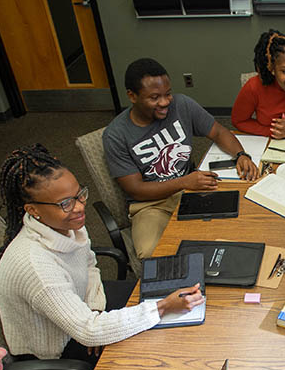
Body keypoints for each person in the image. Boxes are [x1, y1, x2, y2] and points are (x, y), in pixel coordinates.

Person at [0, 144, 203, 364]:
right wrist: (162, 307)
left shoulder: (66, 223)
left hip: (84, 310)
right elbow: (87, 331)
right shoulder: (35, 266)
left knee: (166, 302)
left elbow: (88, 264)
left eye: (79, 195)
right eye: (65, 203)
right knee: (158, 351)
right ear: (33, 210)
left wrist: (96, 309)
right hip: (56, 347)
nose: (78, 207)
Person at [104, 57, 259, 261]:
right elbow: (136, 190)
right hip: (150, 204)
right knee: (153, 254)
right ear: (132, 96)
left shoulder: (182, 105)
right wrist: (184, 181)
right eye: (154, 98)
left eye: (167, 94)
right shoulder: (116, 135)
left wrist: (241, 154)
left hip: (189, 192)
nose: (165, 102)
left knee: (238, 227)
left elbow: (219, 132)